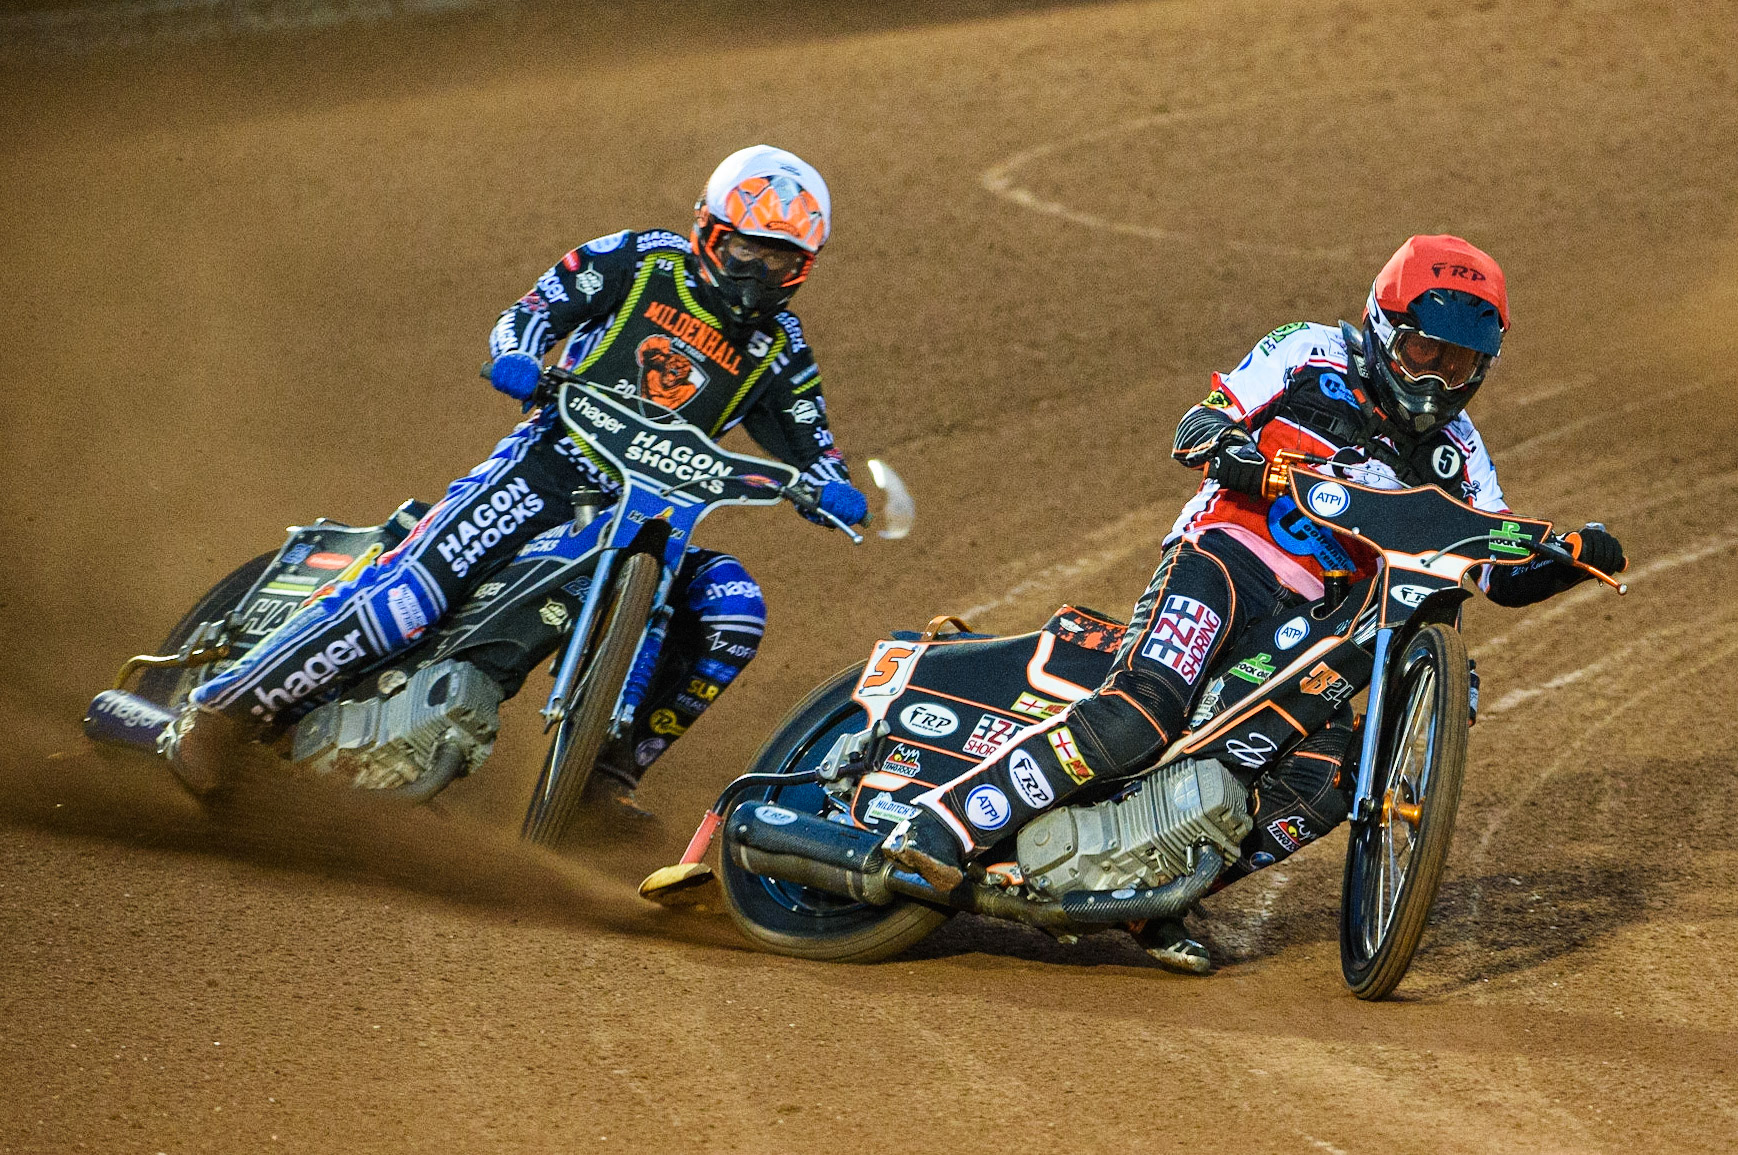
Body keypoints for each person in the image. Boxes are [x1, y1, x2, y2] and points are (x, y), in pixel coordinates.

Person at [883, 234, 1627, 972]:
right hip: (1228, 560)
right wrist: (1241, 456)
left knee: (1327, 780)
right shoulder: (1308, 351)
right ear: (1381, 326)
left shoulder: (1460, 449)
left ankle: (1155, 895)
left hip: (1321, 627)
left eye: (1459, 363)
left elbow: (1495, 572)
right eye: (1424, 352)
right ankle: (942, 825)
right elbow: (1201, 423)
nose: (1437, 378)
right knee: (1141, 711)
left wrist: (1573, 556)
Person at [166, 145, 868, 818]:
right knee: (413, 596)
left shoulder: (782, 348)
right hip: (548, 466)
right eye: (747, 246)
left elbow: (814, 443)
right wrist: (518, 356)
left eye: (780, 256)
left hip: (657, 521)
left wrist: (831, 486)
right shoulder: (639, 259)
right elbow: (531, 312)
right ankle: (222, 712)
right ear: (710, 230)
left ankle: (601, 787)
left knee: (733, 608)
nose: (759, 269)